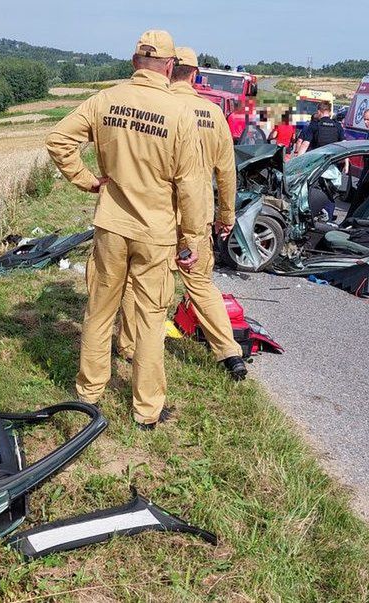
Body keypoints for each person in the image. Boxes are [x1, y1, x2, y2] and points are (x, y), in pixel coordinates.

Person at [45, 30, 204, 430]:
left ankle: (89, 394)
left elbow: (58, 139)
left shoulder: (105, 100)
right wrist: (193, 238)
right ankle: (146, 410)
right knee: (151, 318)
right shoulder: (180, 113)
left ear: (135, 62)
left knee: (99, 310)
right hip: (156, 232)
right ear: (169, 67)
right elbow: (190, 184)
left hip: (111, 226)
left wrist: (88, 180)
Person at [117, 46, 247, 382]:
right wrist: (226, 215)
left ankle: (129, 346)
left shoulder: (157, 108)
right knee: (201, 284)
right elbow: (226, 171)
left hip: (155, 213)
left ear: (167, 69)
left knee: (138, 281)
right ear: (194, 73)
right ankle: (229, 353)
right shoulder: (212, 113)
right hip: (196, 214)